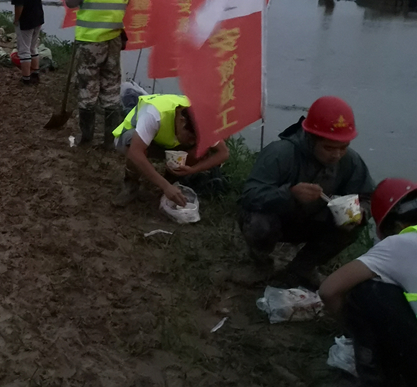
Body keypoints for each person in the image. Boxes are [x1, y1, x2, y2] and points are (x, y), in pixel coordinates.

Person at [239, 96, 375, 287]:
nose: (336, 154)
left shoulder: (350, 161)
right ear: (311, 139)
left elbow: (367, 196)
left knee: (352, 224)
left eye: (343, 147)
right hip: (279, 219)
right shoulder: (280, 153)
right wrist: (290, 194)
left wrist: (360, 212)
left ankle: (301, 269)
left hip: (315, 221)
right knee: (258, 223)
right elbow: (250, 196)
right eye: (328, 148)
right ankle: (260, 263)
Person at [319, 178, 417, 386]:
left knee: (365, 290)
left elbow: (329, 290)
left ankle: (377, 377)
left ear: (396, 225)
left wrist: (352, 332)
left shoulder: (398, 244)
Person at [63, 0, 130, 147]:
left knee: (87, 88)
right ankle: (110, 141)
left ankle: (86, 139)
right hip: (114, 40)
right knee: (111, 90)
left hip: (92, 42)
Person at [112, 94, 230, 206]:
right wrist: (165, 186)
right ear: (182, 121)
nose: (191, 142)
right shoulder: (154, 114)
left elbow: (223, 153)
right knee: (132, 144)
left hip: (167, 142)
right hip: (137, 139)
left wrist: (192, 169)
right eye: (190, 137)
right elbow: (135, 152)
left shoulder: (201, 119)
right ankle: (131, 185)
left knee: (202, 150)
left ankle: (172, 181)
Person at [4, 0, 45, 85]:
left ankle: (26, 78)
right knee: (33, 46)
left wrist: (16, 19)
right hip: (38, 14)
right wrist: (35, 4)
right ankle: (35, 73)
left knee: (24, 49)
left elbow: (19, 4)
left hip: (26, 19)